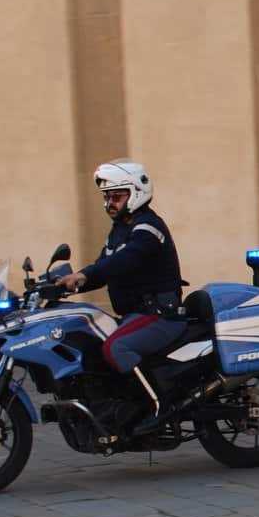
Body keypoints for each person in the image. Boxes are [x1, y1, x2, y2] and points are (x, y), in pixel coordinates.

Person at [58, 160, 187, 433]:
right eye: (107, 198)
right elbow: (103, 269)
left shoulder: (147, 228)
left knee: (117, 347)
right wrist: (66, 285)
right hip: (136, 314)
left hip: (160, 315)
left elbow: (125, 261)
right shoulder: (119, 231)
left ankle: (159, 406)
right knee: (90, 342)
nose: (110, 203)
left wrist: (82, 274)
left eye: (117, 197)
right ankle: (112, 405)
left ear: (136, 193)